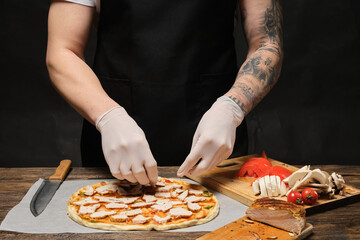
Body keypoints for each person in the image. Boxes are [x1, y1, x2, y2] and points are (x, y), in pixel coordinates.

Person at [46, 0, 283, 185]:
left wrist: (232, 108)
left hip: (215, 146)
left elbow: (267, 43)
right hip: (117, 148)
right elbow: (62, 51)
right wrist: (108, 117)